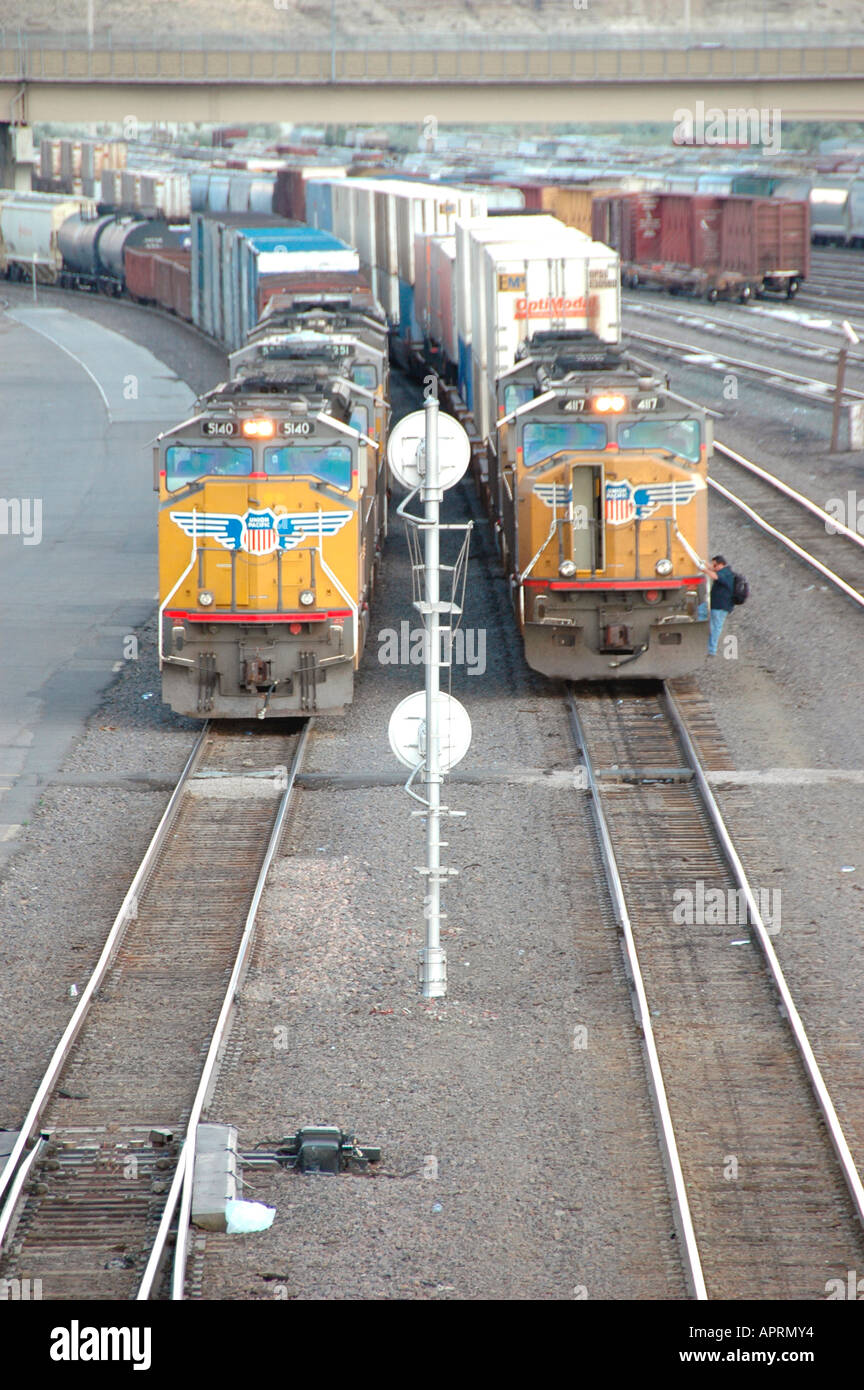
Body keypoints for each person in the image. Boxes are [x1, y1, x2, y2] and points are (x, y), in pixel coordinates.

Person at [696, 555, 735, 656]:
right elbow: (713, 570)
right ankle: (703, 639)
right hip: (716, 604)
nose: (713, 567)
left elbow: (714, 576)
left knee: (716, 627)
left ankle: (711, 650)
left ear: (721, 564)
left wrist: (704, 570)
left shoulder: (725, 573)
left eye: (715, 565)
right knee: (702, 610)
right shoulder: (724, 571)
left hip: (721, 606)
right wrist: (704, 563)